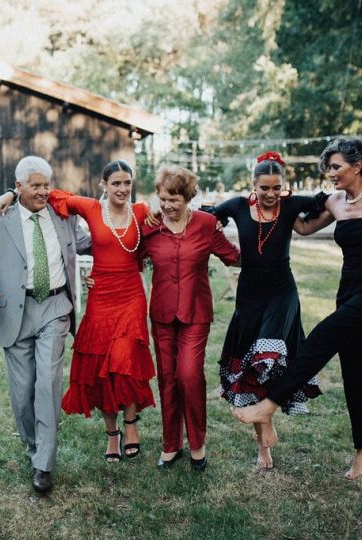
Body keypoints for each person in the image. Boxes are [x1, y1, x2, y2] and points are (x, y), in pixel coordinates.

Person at [233, 137, 362, 479]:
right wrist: (275, 202)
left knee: (324, 335)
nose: (329, 173)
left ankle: (270, 403)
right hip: (349, 290)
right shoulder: (336, 202)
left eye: (335, 167)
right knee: (354, 367)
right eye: (328, 168)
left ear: (357, 165)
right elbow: (302, 227)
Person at [0, 160, 155, 463]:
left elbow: (173, 208)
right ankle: (112, 434)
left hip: (131, 296)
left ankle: (131, 425)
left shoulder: (142, 212)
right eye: (116, 183)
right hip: (100, 297)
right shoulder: (91, 207)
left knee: (126, 360)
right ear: (104, 185)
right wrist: (10, 194)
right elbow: (44, 194)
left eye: (127, 183)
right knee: (100, 364)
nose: (122, 189)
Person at [0, 156, 91, 493]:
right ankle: (34, 448)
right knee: (22, 394)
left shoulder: (61, 216)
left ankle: (44, 465)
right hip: (15, 312)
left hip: (54, 306)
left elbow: (88, 243)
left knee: (47, 382)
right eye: (35, 185)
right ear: (18, 186)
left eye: (46, 184)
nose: (42, 191)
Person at [210, 150, 325, 469]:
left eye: (277, 188)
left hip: (281, 292)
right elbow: (207, 221)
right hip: (248, 295)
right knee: (251, 368)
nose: (272, 194)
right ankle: (264, 450)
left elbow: (327, 202)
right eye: (265, 189)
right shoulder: (236, 206)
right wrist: (227, 254)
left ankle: (268, 412)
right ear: (253, 186)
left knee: (269, 355)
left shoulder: (291, 205)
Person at [139, 166, 240, 471]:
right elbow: (128, 257)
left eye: (174, 199)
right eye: (163, 198)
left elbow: (234, 256)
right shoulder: (150, 228)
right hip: (162, 315)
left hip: (196, 314)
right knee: (168, 379)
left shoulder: (207, 225)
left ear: (187, 198)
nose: (168, 205)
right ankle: (171, 445)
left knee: (189, 376)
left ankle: (197, 443)